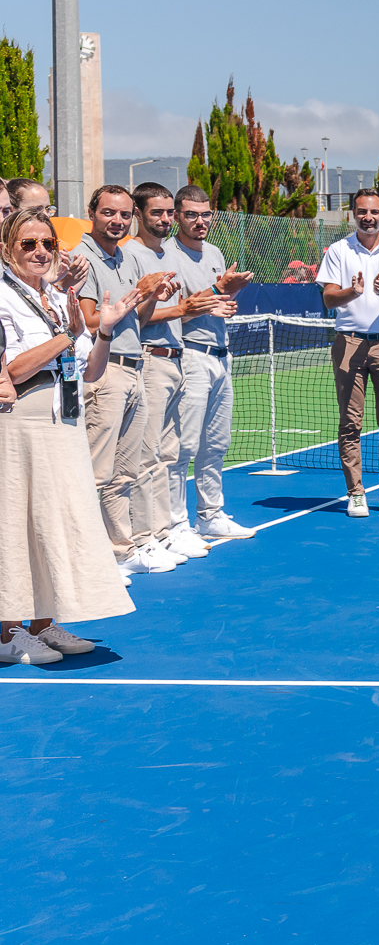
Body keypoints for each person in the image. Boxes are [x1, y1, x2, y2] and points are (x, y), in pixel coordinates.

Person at [0, 206, 140, 664]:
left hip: (64, 417)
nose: (40, 252)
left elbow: (90, 370)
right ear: (7, 249)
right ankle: (7, 632)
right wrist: (65, 333)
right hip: (22, 420)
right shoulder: (5, 296)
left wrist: (102, 331)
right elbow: (15, 370)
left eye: (48, 244)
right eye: (28, 244)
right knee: (17, 522)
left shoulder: (58, 297)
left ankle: (43, 621)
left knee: (55, 520)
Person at [317, 191, 379, 518]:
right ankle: (356, 493)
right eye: (362, 211)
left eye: (374, 211)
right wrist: (353, 291)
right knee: (350, 423)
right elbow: (329, 299)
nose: (369, 217)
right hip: (348, 343)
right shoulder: (338, 250)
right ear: (353, 214)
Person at [73, 185, 155, 575]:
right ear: (92, 212)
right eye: (109, 213)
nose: (117, 221)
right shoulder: (82, 259)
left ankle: (119, 550)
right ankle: (90, 560)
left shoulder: (126, 257)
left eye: (124, 215)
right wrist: (124, 307)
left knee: (124, 472)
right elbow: (89, 322)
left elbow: (139, 316)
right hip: (103, 371)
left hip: (135, 368)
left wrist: (152, 293)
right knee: (96, 472)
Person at [165, 187, 254, 540]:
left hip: (221, 354)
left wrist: (227, 297)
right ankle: (175, 523)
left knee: (216, 443)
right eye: (191, 215)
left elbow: (216, 299)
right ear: (176, 216)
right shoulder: (166, 255)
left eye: (205, 215)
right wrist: (218, 292)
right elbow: (174, 312)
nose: (200, 222)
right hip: (189, 355)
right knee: (184, 447)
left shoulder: (214, 252)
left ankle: (210, 515)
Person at [126, 183, 198, 563]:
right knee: (145, 455)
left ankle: (164, 531)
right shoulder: (131, 255)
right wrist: (185, 307)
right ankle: (142, 538)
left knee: (168, 454)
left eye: (170, 212)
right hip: (150, 360)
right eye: (157, 212)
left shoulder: (166, 253)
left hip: (175, 359)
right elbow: (136, 315)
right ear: (139, 214)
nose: (166, 219)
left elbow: (178, 308)